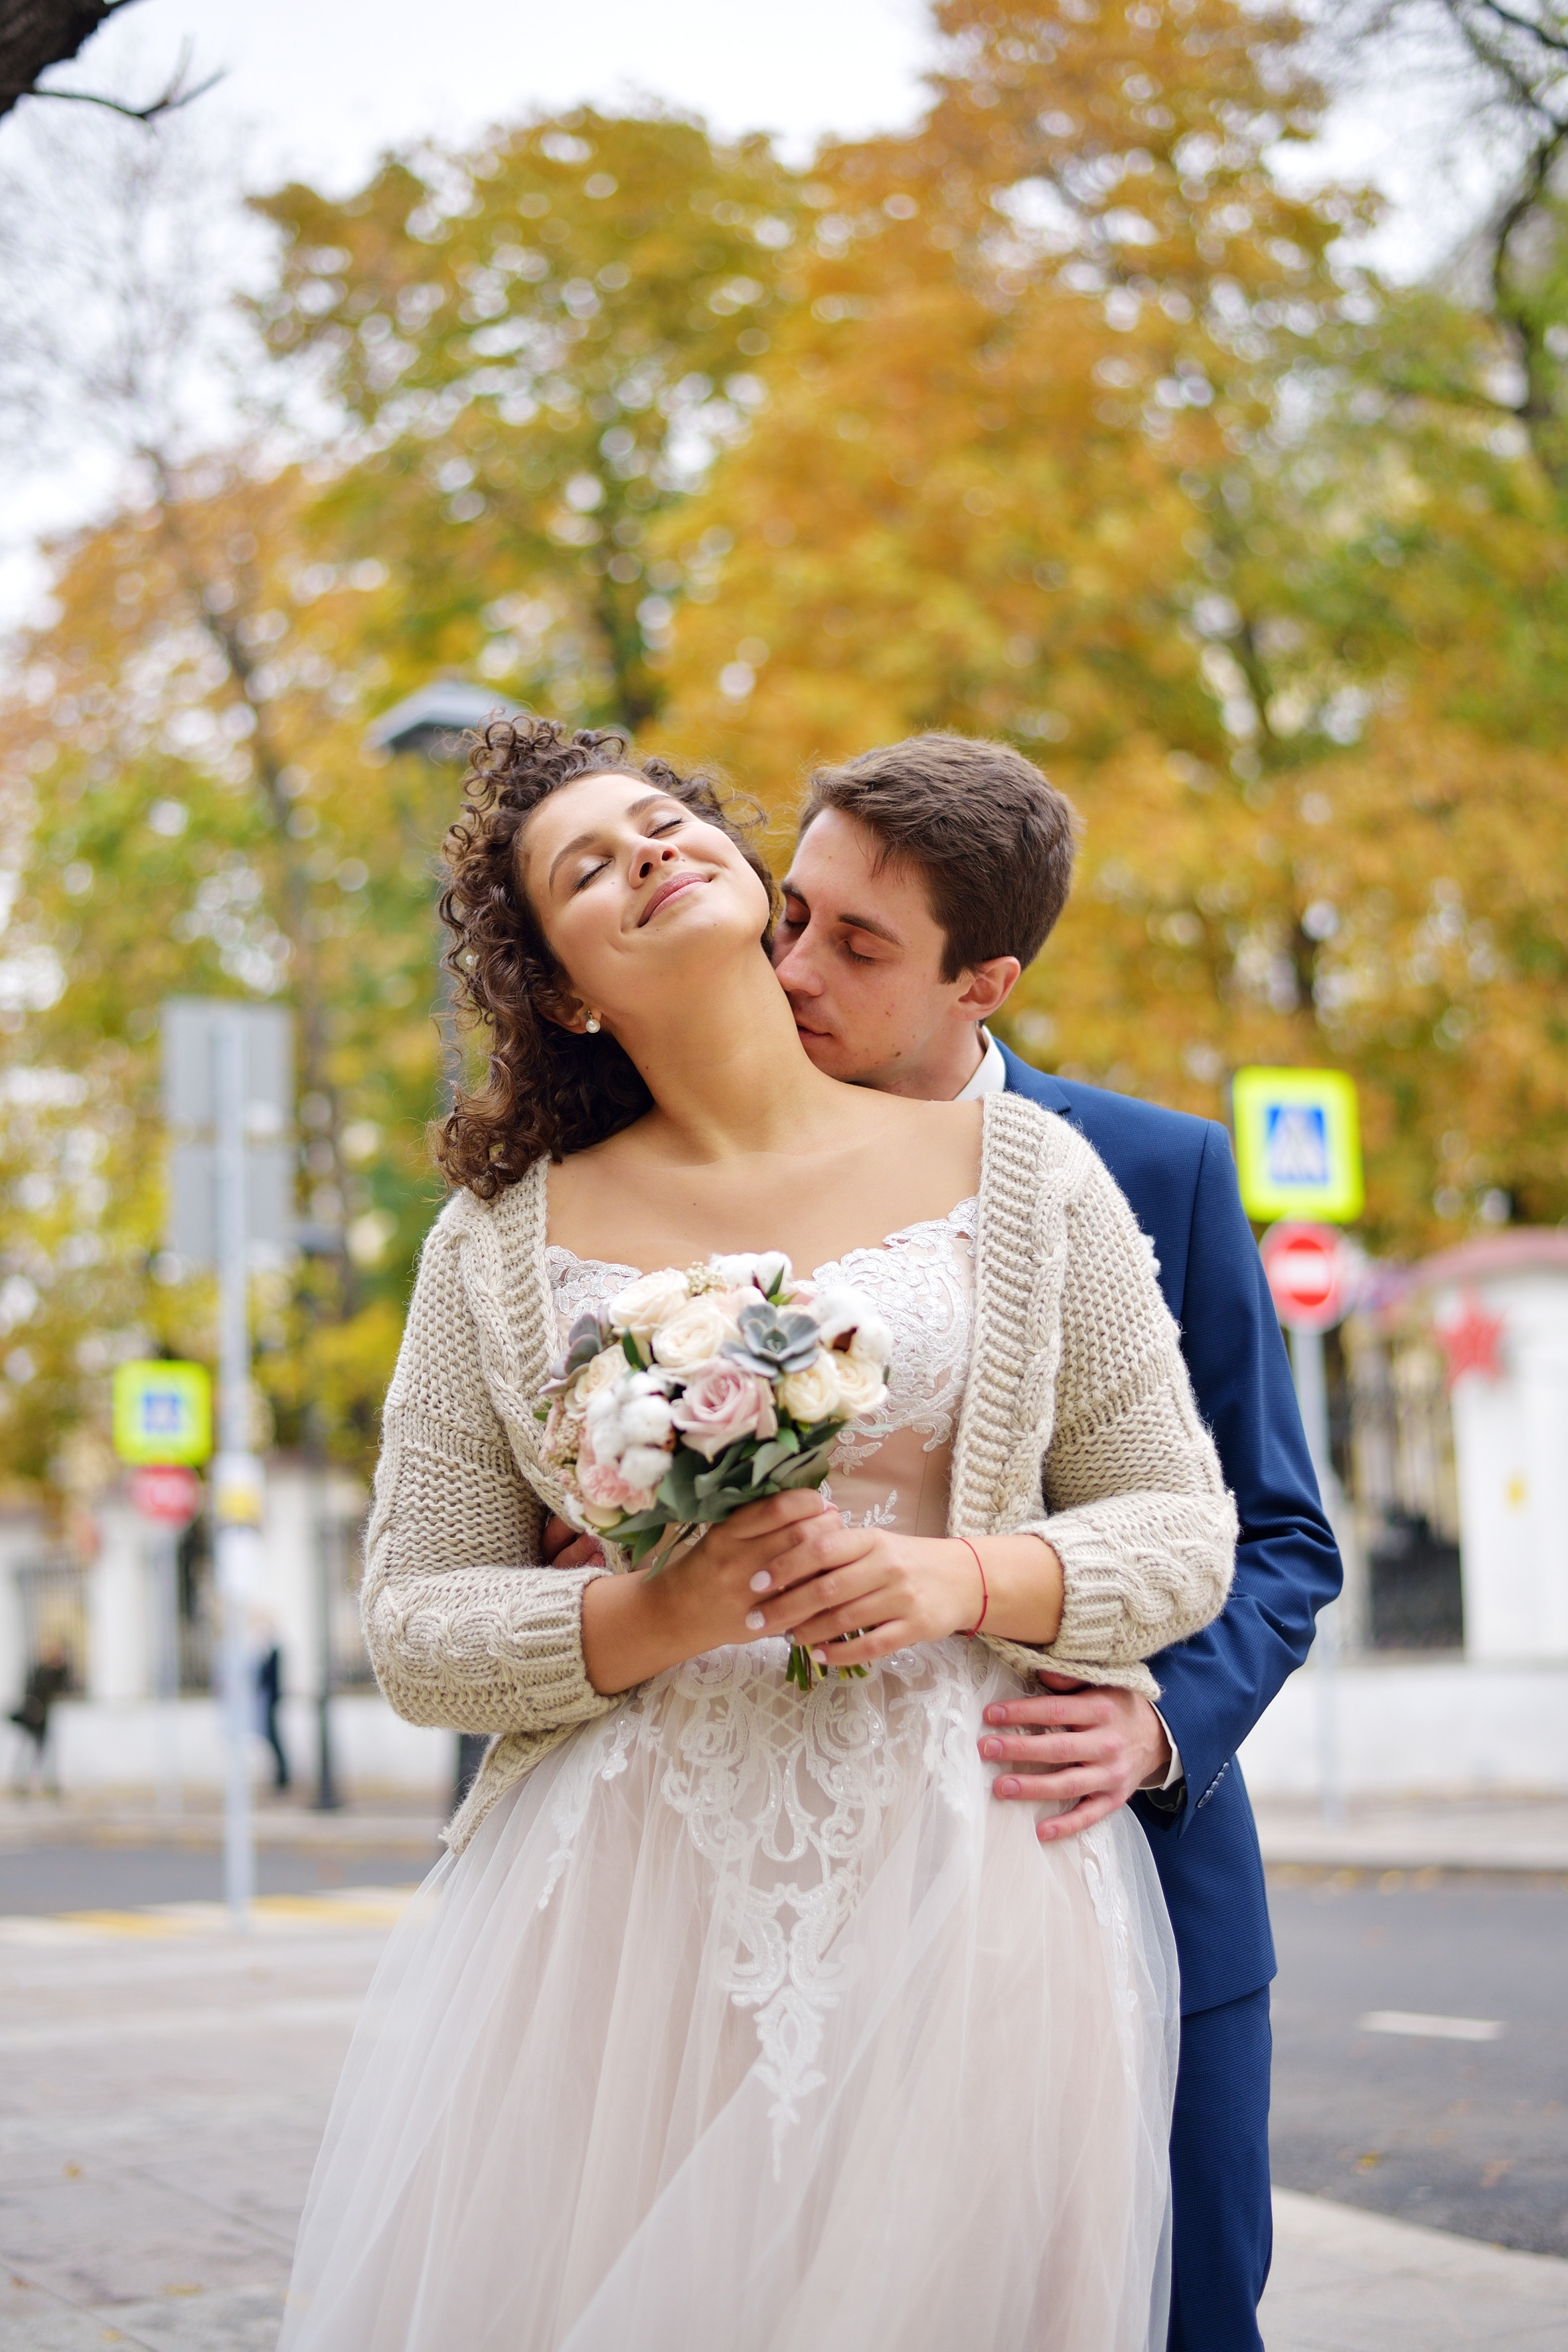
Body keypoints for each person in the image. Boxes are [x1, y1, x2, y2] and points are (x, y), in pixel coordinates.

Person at [279, 718, 1237, 2351]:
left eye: (662, 821)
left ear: (740, 865)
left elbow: (1183, 1526)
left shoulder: (1028, 1174)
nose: (648, 850)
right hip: (624, 1920)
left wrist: (963, 1576)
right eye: (589, 867)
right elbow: (412, 1623)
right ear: (569, 988)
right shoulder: (493, 1251)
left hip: (967, 1879)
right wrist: (645, 1621)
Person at [765, 732, 1343, 2352]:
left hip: (1137, 1880)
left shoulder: (1155, 1172)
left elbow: (1280, 1532)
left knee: (1175, 2312)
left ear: (986, 983)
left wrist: (1163, 1722)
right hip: (815, 1906)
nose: (794, 968)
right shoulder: (712, 1171)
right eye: (786, 917)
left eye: (857, 944)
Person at [8, 1641, 70, 1796]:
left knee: (45, 1749)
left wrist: (62, 1669)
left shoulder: (54, 1672)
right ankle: (21, 1782)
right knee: (30, 1748)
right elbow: (33, 1693)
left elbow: (65, 1687)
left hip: (44, 1717)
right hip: (34, 1716)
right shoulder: (41, 1671)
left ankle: (48, 1782)